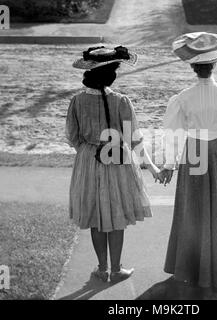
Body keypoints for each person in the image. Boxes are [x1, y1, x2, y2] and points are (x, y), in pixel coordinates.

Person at [159, 32, 217, 290]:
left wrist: (169, 164)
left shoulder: (182, 98)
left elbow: (172, 135)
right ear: (215, 64)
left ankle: (190, 268)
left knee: (192, 209)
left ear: (193, 66)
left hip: (193, 152)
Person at [66, 45, 160, 283]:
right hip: (117, 160)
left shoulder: (77, 101)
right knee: (116, 215)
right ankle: (117, 269)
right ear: (112, 73)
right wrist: (152, 167)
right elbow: (135, 139)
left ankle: (101, 268)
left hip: (88, 160)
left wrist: (89, 152)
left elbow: (73, 136)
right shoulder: (121, 101)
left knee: (96, 217)